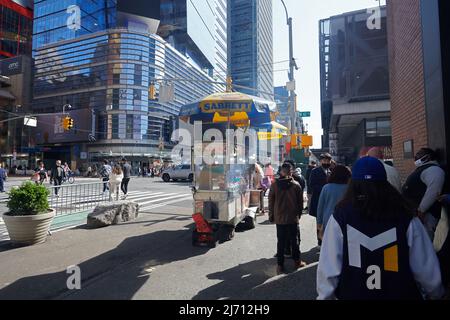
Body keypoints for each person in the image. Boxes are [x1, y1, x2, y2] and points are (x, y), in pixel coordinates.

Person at [317, 156, 445, 300]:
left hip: (354, 293)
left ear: (353, 183)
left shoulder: (341, 216)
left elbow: (328, 268)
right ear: (385, 183)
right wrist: (435, 293)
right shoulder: (405, 216)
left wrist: (325, 296)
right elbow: (426, 267)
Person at [269, 163, 307, 275]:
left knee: (280, 241)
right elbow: (300, 203)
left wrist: (271, 216)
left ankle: (280, 265)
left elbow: (271, 202)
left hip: (279, 217)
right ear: (291, 172)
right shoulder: (296, 185)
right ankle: (297, 261)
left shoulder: (275, 185)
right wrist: (298, 215)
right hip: (292, 217)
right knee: (294, 240)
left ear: (281, 172)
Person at [402, 148, 446, 241]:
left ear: (428, 157)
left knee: (424, 241)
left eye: (419, 154)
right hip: (416, 214)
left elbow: (433, 190)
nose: (416, 157)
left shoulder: (433, 169)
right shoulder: (423, 169)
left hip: (425, 216)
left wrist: (421, 210)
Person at [317, 165, 351, 241]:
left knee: (329, 243)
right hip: (346, 219)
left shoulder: (326, 187)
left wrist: (319, 222)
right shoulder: (350, 188)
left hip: (329, 219)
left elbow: (320, 207)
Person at [308, 153, 333, 246]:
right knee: (320, 222)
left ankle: (327, 241)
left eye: (328, 161)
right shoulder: (315, 171)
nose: (326, 162)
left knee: (329, 222)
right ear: (321, 161)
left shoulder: (331, 171)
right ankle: (320, 242)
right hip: (318, 200)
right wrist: (325, 189)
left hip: (329, 201)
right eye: (324, 160)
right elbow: (312, 185)